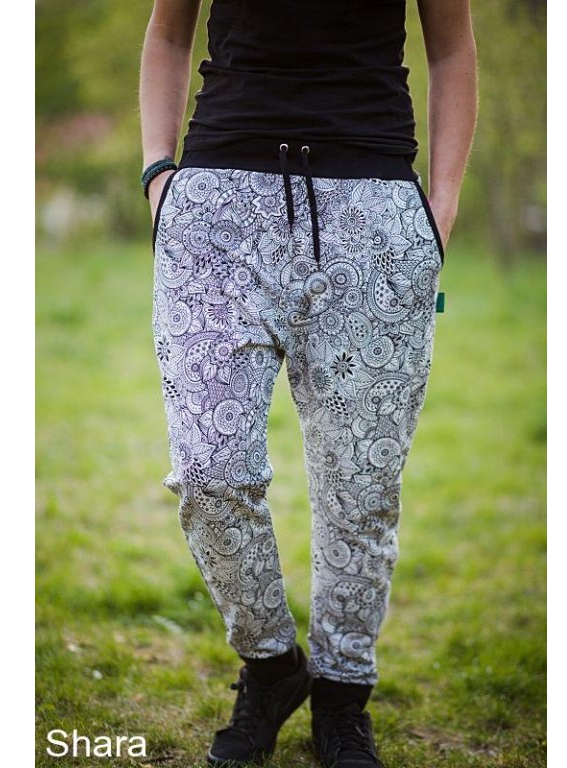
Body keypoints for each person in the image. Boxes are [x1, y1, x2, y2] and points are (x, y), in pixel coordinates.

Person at [139, 1, 477, 765]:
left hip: (373, 210)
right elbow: (167, 31)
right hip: (218, 213)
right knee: (208, 470)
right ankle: (270, 667)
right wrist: (159, 174)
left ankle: (342, 696)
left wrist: (444, 201)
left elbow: (452, 47)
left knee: (360, 486)